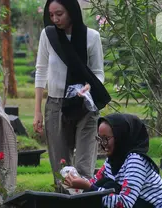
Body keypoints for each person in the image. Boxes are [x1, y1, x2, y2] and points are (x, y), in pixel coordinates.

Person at [33, 0, 111, 186]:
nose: (55, 19)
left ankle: (84, 201)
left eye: (59, 14)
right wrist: (37, 111)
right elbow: (41, 70)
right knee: (61, 168)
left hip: (85, 105)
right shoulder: (48, 35)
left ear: (72, 11)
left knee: (84, 166)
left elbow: (98, 72)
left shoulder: (92, 37)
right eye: (51, 15)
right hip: (56, 105)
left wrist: (89, 86)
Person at [64, 113, 162, 208]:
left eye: (106, 139)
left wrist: (88, 188)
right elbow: (94, 183)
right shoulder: (113, 160)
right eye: (100, 139)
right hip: (139, 203)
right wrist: (75, 180)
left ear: (121, 137)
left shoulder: (136, 161)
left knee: (107, 188)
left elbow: (125, 203)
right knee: (105, 184)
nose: (103, 145)